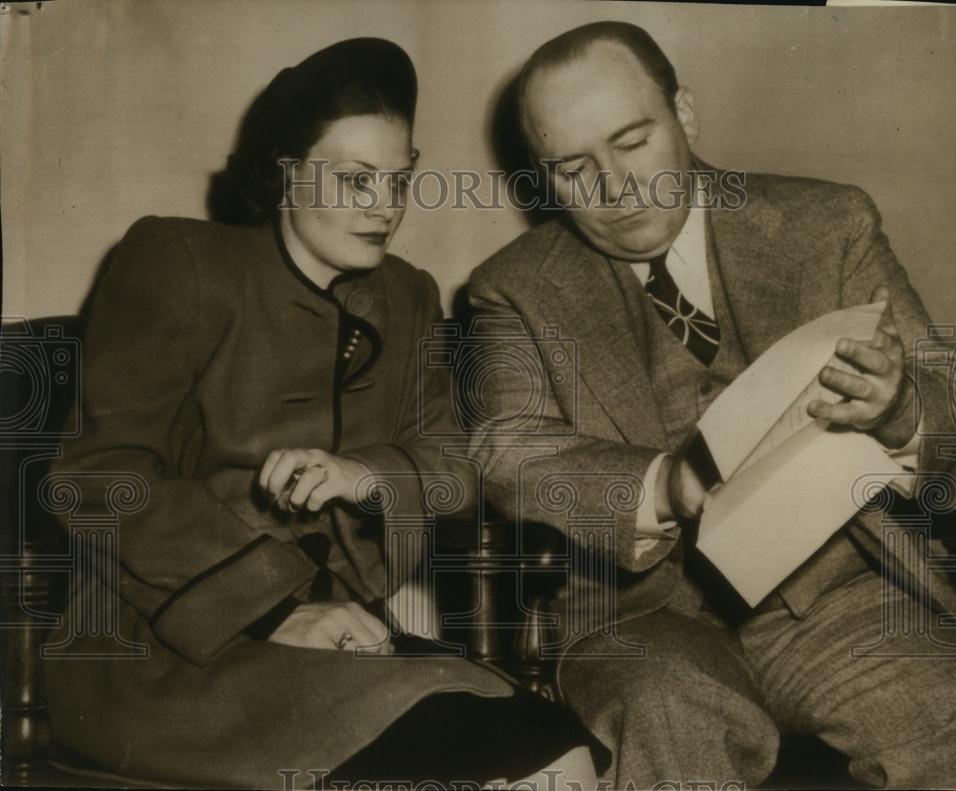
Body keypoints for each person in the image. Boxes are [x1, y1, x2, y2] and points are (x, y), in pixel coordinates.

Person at [44, 38, 604, 789]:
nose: (384, 208)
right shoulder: (179, 260)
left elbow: (454, 469)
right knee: (500, 759)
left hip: (344, 637)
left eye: (399, 180)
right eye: (354, 181)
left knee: (559, 751)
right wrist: (275, 612)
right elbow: (96, 474)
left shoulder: (405, 293)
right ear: (283, 176)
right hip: (166, 652)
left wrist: (360, 475)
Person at [467, 21, 956, 790]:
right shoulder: (512, 286)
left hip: (835, 597)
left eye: (633, 141)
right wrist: (665, 483)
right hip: (638, 618)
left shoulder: (827, 222)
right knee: (668, 714)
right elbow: (506, 452)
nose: (616, 188)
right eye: (573, 168)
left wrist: (900, 402)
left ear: (685, 114)